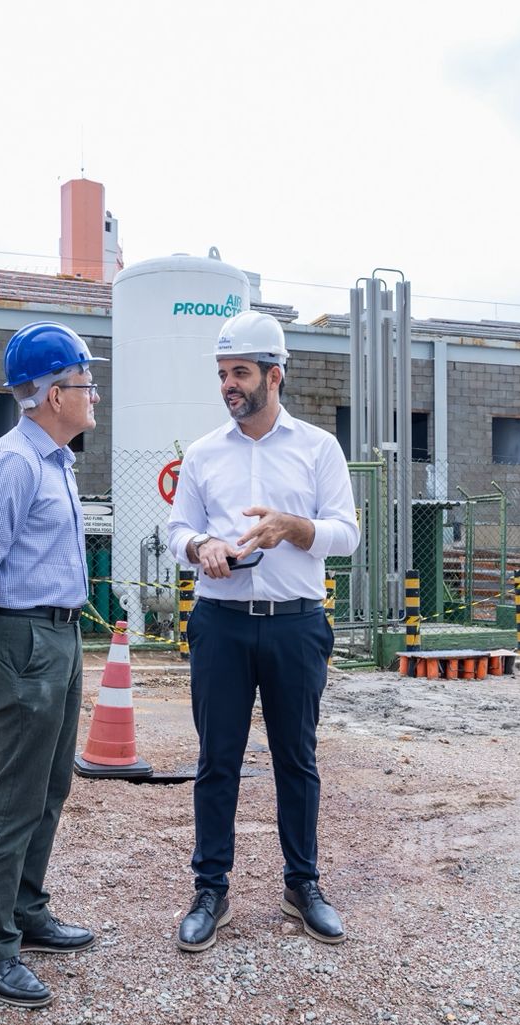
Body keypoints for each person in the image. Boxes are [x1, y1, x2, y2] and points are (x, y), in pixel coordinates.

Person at [165, 310, 360, 952]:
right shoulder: (202, 454)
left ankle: (302, 884)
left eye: (241, 373)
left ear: (275, 375)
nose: (229, 385)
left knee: (296, 761)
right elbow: (175, 533)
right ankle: (210, 889)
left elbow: (347, 535)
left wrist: (294, 528)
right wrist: (202, 548)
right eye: (223, 374)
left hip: (294, 625)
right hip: (220, 623)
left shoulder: (317, 448)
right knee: (216, 760)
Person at [0, 321, 104, 1008]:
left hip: (59, 637)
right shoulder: (13, 463)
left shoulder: (54, 462)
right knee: (15, 794)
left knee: (49, 786)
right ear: (49, 395)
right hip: (25, 638)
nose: (94, 392)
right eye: (84, 381)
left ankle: (27, 911)